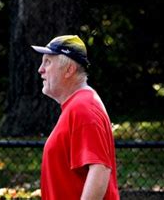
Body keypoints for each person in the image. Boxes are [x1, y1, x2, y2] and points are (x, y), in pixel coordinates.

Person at [31, 35, 119, 200]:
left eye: (48, 62)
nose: (40, 69)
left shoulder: (83, 107)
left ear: (69, 69)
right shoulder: (77, 105)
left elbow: (99, 170)